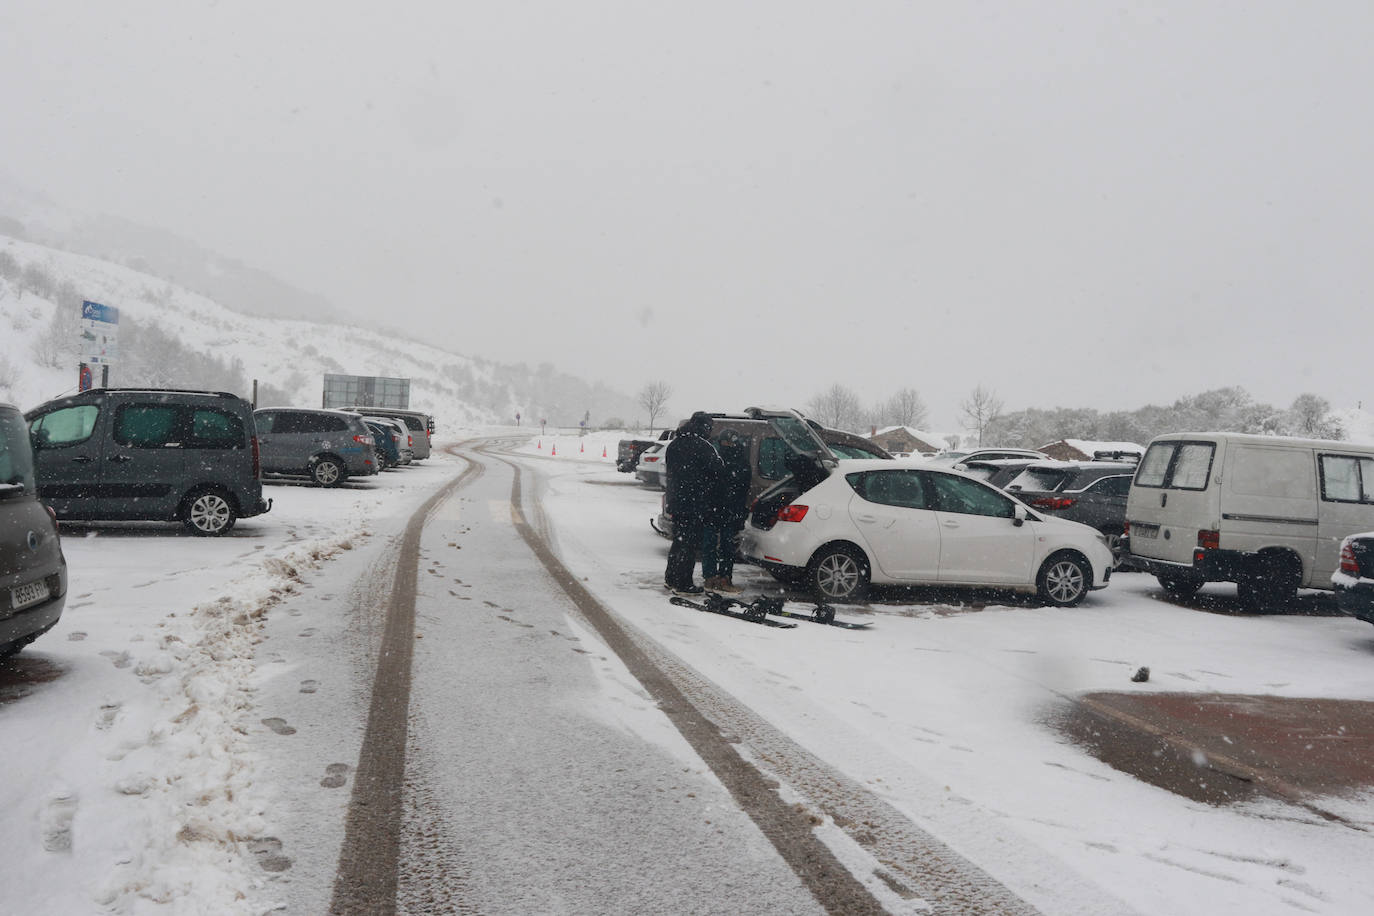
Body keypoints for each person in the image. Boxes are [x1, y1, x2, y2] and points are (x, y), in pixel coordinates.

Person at [663, 411, 723, 596]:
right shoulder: (704, 446)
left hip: (677, 501)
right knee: (689, 545)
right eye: (709, 427)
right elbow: (719, 468)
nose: (710, 431)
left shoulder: (674, 444)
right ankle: (684, 583)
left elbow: (671, 472)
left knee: (679, 541)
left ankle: (671, 578)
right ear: (704, 427)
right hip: (695, 503)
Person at [702, 429, 751, 593]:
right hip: (719, 509)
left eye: (730, 442)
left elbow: (743, 488)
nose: (728, 445)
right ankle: (713, 578)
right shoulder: (718, 459)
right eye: (726, 442)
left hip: (725, 510)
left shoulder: (721, 459)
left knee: (725, 546)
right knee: (715, 545)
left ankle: (722, 578)